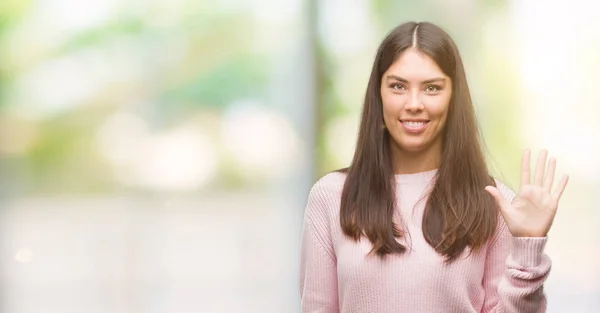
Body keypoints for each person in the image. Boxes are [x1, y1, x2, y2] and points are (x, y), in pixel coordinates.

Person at [298, 21, 569, 313]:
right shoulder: (330, 197)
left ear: (453, 98)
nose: (414, 103)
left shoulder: (494, 203)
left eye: (432, 88)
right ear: (379, 95)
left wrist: (527, 247)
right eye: (398, 86)